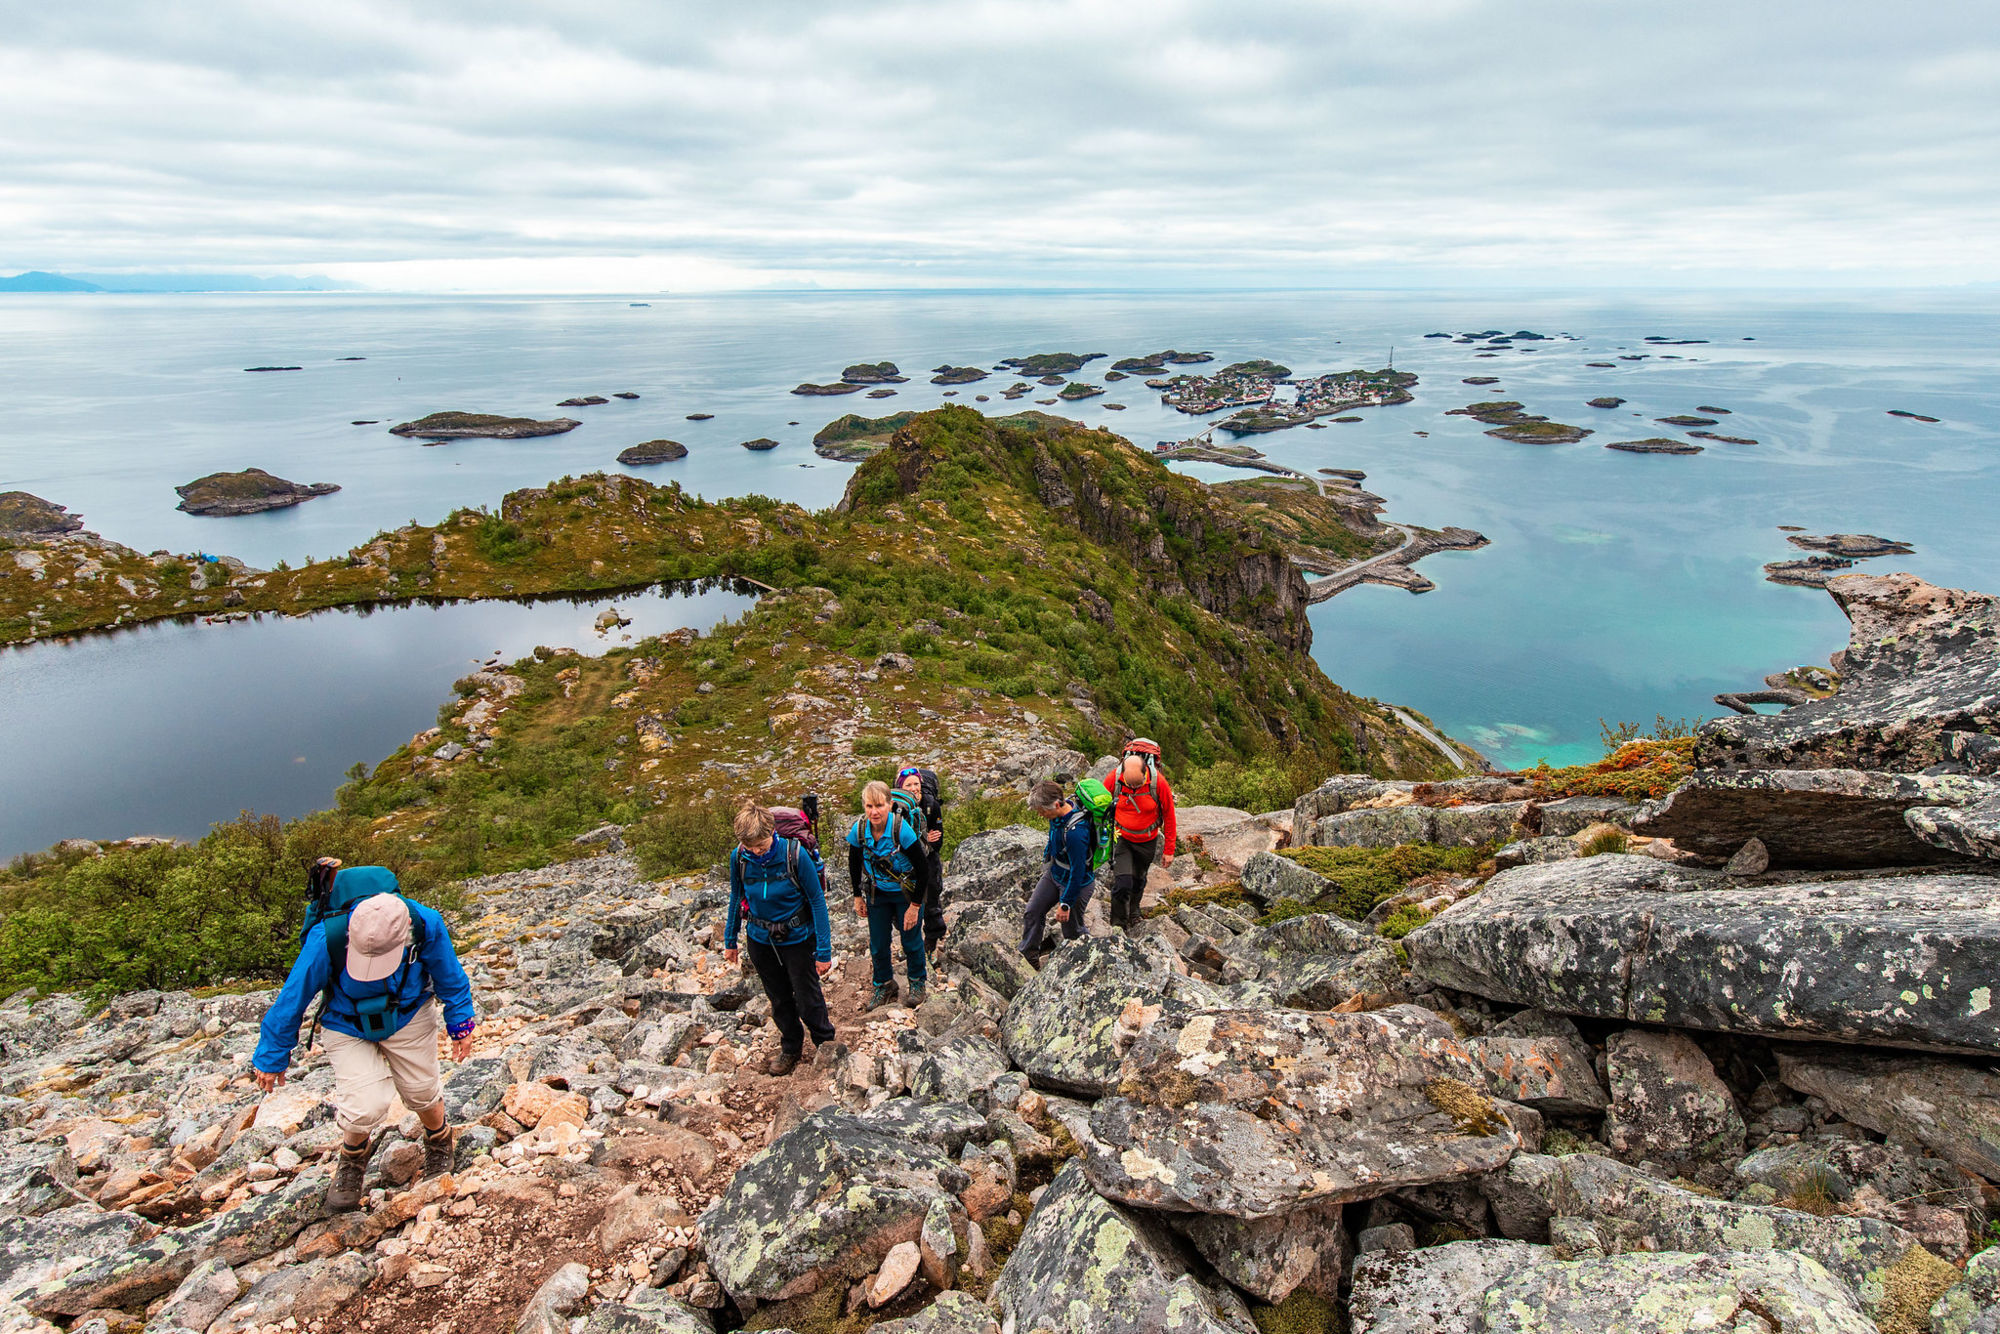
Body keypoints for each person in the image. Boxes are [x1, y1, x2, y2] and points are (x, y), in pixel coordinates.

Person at [253, 879, 476, 1213]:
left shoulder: (424, 923)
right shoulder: (325, 938)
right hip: (346, 1023)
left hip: (408, 1012)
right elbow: (292, 999)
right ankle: (352, 1160)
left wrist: (461, 1023)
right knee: (363, 1106)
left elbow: (450, 975)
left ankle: (439, 1139)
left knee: (421, 1091)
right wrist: (272, 1056)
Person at [724, 802, 835, 1077]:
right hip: (760, 939)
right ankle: (791, 1047)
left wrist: (824, 951)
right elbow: (736, 898)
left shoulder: (794, 855)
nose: (756, 852)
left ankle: (826, 1044)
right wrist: (730, 940)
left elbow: (817, 902)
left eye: (760, 845)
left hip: (797, 937)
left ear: (772, 833)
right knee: (779, 998)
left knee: (808, 996)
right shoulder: (739, 858)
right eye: (750, 846)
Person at [846, 778, 927, 1009]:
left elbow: (923, 870)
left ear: (890, 805)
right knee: (879, 943)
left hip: (905, 893)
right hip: (877, 893)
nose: (874, 811)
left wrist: (915, 907)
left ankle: (917, 982)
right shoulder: (859, 829)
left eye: (879, 805)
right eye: (869, 806)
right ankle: (883, 984)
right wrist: (857, 896)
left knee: (910, 940)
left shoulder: (901, 829)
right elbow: (853, 862)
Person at [1019, 779, 1096, 960]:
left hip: (1078, 883)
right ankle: (1028, 958)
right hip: (1055, 874)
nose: (1040, 815)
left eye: (1042, 811)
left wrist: (1065, 903)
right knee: (1033, 912)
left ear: (1055, 804)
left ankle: (1091, 957)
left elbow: (1078, 872)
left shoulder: (1076, 833)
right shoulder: (1057, 814)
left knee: (1072, 931)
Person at [1109, 738, 1176, 929]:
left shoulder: (1158, 783)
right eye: (1130, 786)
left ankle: (1135, 911)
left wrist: (1169, 849)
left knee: (1139, 879)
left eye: (1137, 785)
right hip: (1122, 839)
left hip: (1147, 840)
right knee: (1122, 882)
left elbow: (1169, 816)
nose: (1133, 789)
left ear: (1145, 772)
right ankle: (1118, 924)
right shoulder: (1114, 779)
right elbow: (1100, 806)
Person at [898, 767, 947, 953]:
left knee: (932, 898)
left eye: (916, 784)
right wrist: (926, 838)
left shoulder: (931, 804)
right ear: (900, 787)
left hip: (929, 859)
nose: (914, 788)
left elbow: (939, 840)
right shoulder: (896, 807)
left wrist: (927, 842)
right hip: (906, 864)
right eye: (908, 785)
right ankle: (911, 941)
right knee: (905, 902)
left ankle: (933, 939)